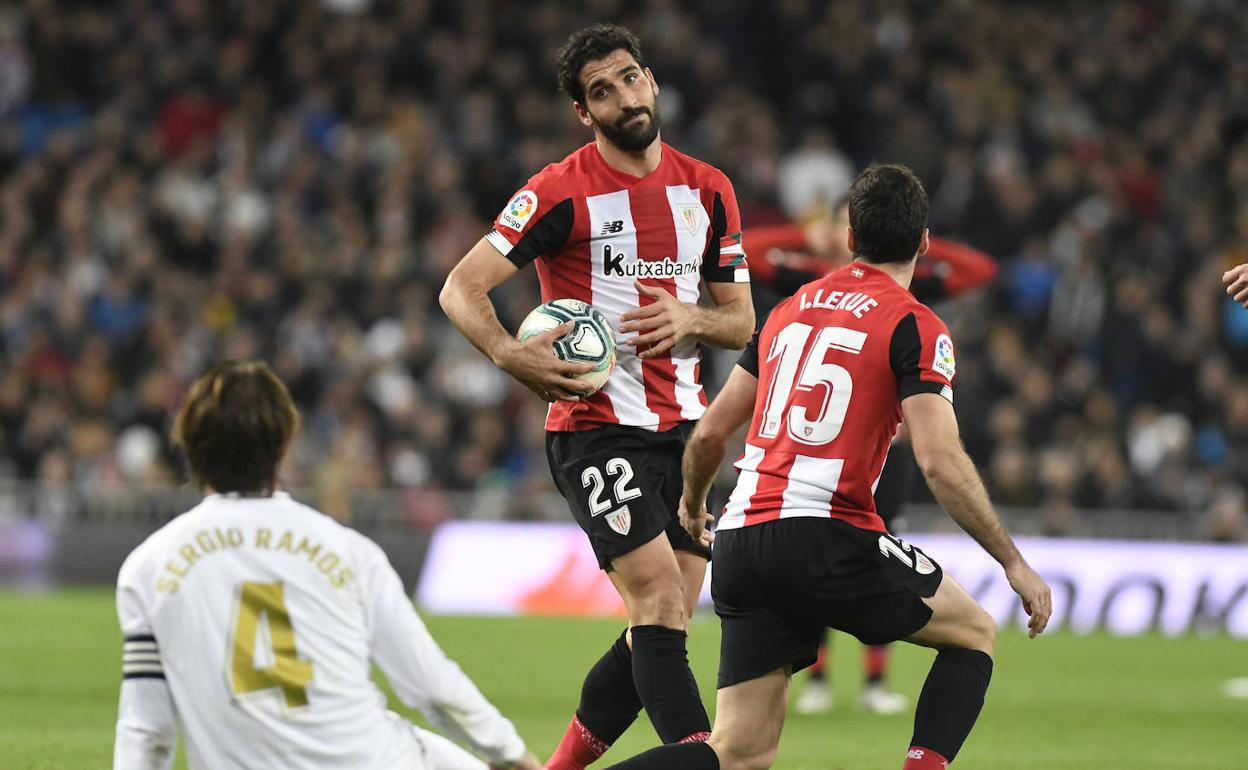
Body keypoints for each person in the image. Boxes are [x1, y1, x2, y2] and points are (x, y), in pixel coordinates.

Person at [606, 164, 1051, 770]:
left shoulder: (789, 309)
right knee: (973, 632)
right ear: (924, 242)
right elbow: (941, 463)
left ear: (848, 238)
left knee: (736, 754)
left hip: (740, 537)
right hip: (823, 531)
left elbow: (711, 432)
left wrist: (691, 506)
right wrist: (1014, 563)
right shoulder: (917, 324)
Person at [439, 23, 753, 770]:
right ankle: (697, 758)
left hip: (686, 435)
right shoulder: (558, 190)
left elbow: (740, 320)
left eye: (629, 78)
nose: (623, 98)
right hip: (595, 429)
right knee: (661, 606)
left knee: (662, 619)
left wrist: (692, 319)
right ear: (585, 113)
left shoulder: (708, 189)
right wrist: (513, 356)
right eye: (601, 92)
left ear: (651, 79)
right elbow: (461, 287)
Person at [113, 361, 541, 770]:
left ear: (188, 444)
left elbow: (146, 731)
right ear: (284, 444)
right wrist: (508, 750)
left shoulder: (150, 567)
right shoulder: (349, 552)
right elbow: (429, 684)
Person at [744, 202, 998, 715]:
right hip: (820, 462)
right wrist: (806, 236)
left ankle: (874, 683)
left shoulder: (898, 292)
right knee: (829, 559)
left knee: (885, 555)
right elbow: (746, 253)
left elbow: (979, 271)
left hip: (882, 456)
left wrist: (913, 239)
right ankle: (818, 678)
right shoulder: (814, 281)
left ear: (854, 232)